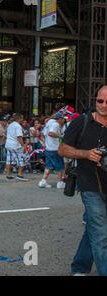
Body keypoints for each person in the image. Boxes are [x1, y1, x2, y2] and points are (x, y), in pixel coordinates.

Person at [58, 86, 107, 276]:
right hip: (90, 185)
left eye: (106, 102)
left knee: (95, 229)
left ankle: (80, 267)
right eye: (99, 101)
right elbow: (62, 149)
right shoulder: (82, 121)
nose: (102, 105)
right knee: (102, 234)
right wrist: (86, 154)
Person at [38, 112, 66, 189]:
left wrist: (44, 143)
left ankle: (43, 181)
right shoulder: (56, 124)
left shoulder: (50, 122)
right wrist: (61, 136)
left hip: (48, 149)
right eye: (63, 119)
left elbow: (43, 134)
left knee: (49, 166)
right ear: (60, 119)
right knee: (60, 166)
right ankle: (60, 183)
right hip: (55, 149)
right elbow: (50, 133)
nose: (64, 120)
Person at [5, 113, 28, 181]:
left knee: (9, 160)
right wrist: (23, 145)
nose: (22, 120)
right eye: (22, 118)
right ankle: (20, 174)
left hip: (8, 144)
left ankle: (8, 175)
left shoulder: (10, 125)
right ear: (19, 118)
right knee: (22, 159)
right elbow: (19, 137)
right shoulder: (18, 126)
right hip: (15, 145)